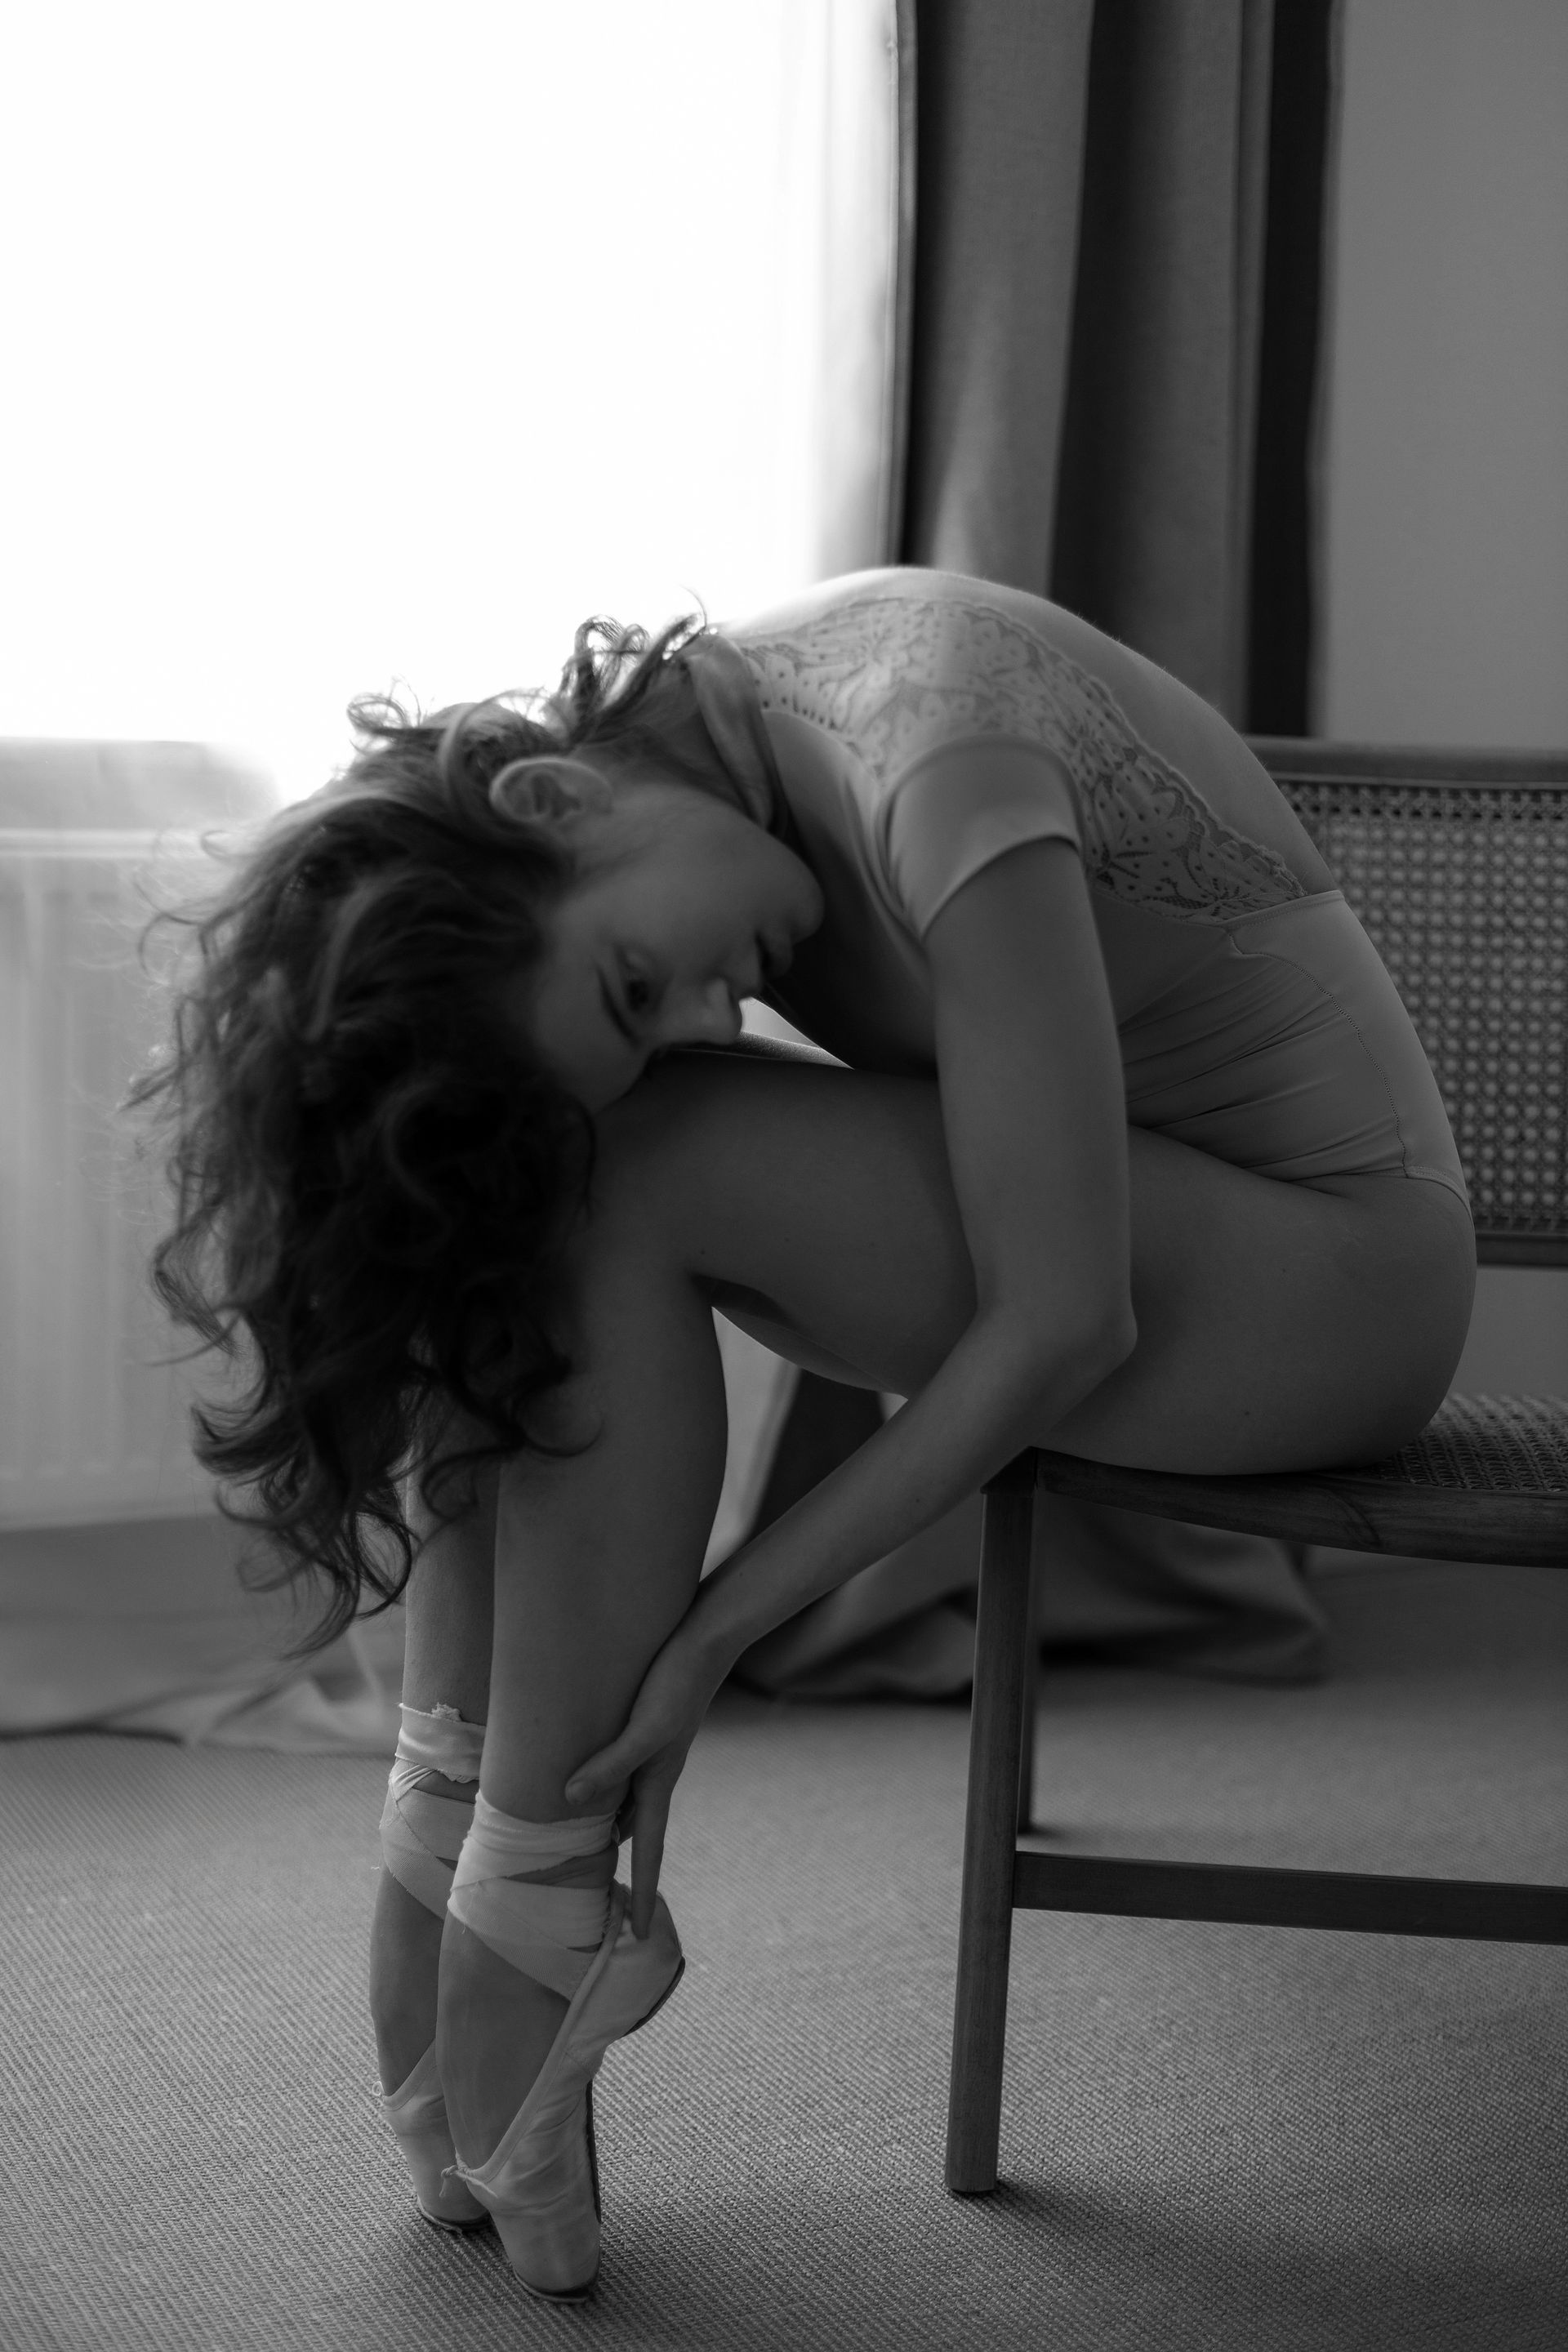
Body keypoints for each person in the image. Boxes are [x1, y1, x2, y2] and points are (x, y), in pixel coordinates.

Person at [136, 566, 1476, 2302]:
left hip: (1333, 1285)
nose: (708, 1020)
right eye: (645, 1010)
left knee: (636, 1162)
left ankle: (525, 1898)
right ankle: (456, 1825)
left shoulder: (938, 753)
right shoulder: (711, 760)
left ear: (551, 796)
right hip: (1187, 1238)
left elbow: (1064, 1321)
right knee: (546, 1170)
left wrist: (713, 1639)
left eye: (636, 980)